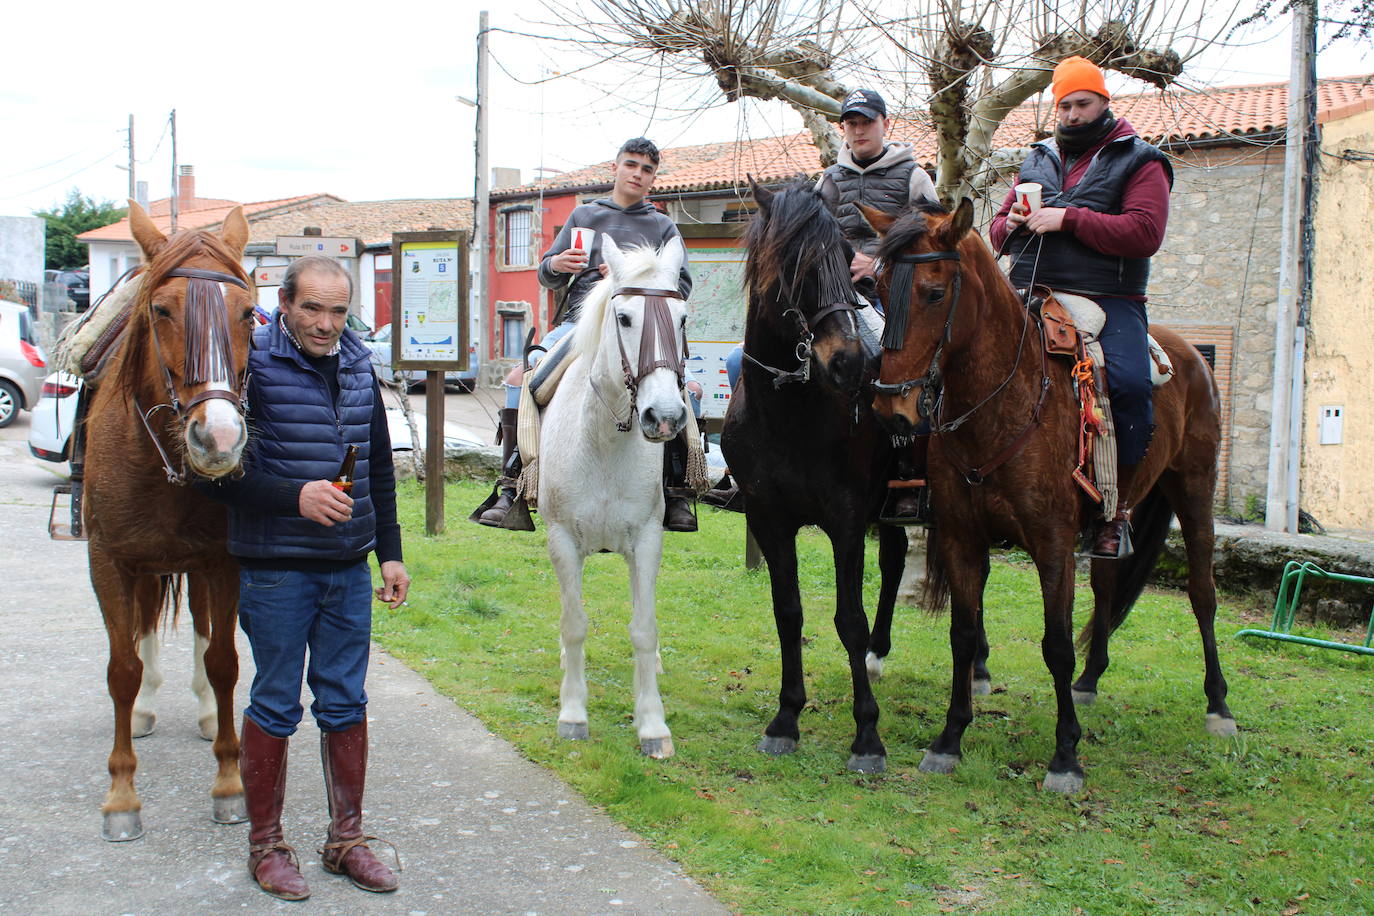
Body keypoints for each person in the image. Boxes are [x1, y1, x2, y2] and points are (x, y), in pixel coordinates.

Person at [205, 255, 408, 899]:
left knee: (347, 703)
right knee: (275, 703)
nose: (326, 323)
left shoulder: (356, 362)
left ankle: (346, 840)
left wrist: (391, 552)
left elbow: (377, 463)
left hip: (348, 570)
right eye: (313, 308)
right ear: (284, 303)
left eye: (338, 310)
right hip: (277, 572)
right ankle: (266, 847)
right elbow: (217, 473)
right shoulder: (250, 366)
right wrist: (295, 496)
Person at [707, 89, 938, 517]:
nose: (858, 129)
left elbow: (930, 248)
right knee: (742, 362)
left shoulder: (913, 177)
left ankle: (906, 476)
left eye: (866, 121)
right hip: (829, 300)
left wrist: (880, 267)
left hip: (889, 298)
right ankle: (756, 474)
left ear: (884, 123)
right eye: (851, 123)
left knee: (895, 368)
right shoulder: (828, 180)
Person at [988, 55, 1173, 558]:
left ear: (1103, 102)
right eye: (1063, 105)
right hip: (1030, 289)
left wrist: (1067, 219)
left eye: (1081, 103)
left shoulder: (1142, 160)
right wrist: (1016, 222)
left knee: (1132, 385)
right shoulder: (1036, 159)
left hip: (1109, 297)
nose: (1071, 114)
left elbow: (1145, 232)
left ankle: (1117, 512)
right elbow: (997, 229)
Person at [472, 137, 696, 531]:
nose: (637, 175)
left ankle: (677, 492)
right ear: (616, 167)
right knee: (519, 380)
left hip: (641, 332)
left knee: (683, 391)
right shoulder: (584, 216)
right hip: (581, 326)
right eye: (631, 165)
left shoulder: (662, 225)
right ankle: (512, 487)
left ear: (653, 178)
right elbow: (546, 274)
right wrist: (557, 262)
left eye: (647, 170)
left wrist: (633, 280)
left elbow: (683, 286)